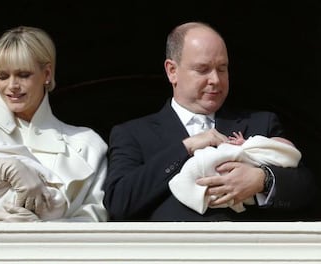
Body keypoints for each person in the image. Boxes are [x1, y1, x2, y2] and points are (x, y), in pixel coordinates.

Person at [103, 21, 318, 221]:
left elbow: (306, 188)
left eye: (222, 68)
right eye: (203, 69)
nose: (215, 80)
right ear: (172, 71)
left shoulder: (261, 122)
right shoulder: (132, 133)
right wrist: (185, 148)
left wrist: (262, 180)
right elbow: (119, 202)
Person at [0, 26, 108, 222]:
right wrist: (0, 170)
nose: (12, 86)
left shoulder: (87, 143)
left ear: (47, 74)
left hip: (50, 251)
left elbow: (94, 218)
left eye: (23, 75)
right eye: (2, 76)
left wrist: (41, 230)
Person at [169, 132, 302, 214]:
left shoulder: (265, 121)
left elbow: (304, 184)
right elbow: (147, 184)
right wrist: (186, 146)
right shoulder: (147, 128)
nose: (214, 83)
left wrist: (264, 179)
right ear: (173, 83)